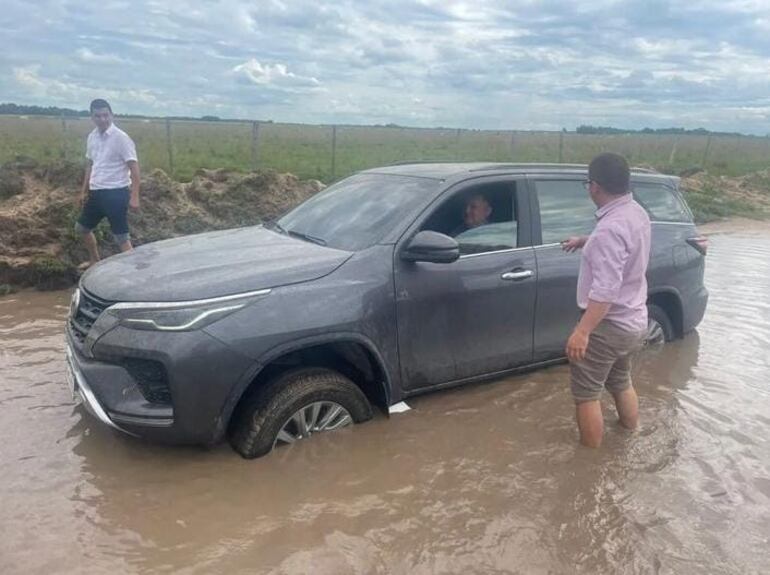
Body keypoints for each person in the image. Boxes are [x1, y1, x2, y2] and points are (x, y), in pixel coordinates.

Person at [561, 152, 651, 448]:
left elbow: (605, 291)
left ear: (595, 186)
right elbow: (621, 244)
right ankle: (631, 434)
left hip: (608, 326)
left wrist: (582, 331)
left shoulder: (609, 230)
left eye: (588, 183)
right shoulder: (636, 212)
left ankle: (590, 462)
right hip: (633, 321)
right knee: (621, 381)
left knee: (586, 395)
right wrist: (587, 241)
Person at [75, 99, 140, 269]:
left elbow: (134, 168)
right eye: (98, 116)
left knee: (121, 238)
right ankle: (95, 260)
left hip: (116, 194)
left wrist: (134, 196)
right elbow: (90, 164)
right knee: (82, 228)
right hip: (96, 193)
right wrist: (83, 191)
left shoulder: (121, 138)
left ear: (112, 115)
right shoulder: (92, 137)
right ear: (92, 117)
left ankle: (136, 273)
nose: (102, 119)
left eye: (106, 115)